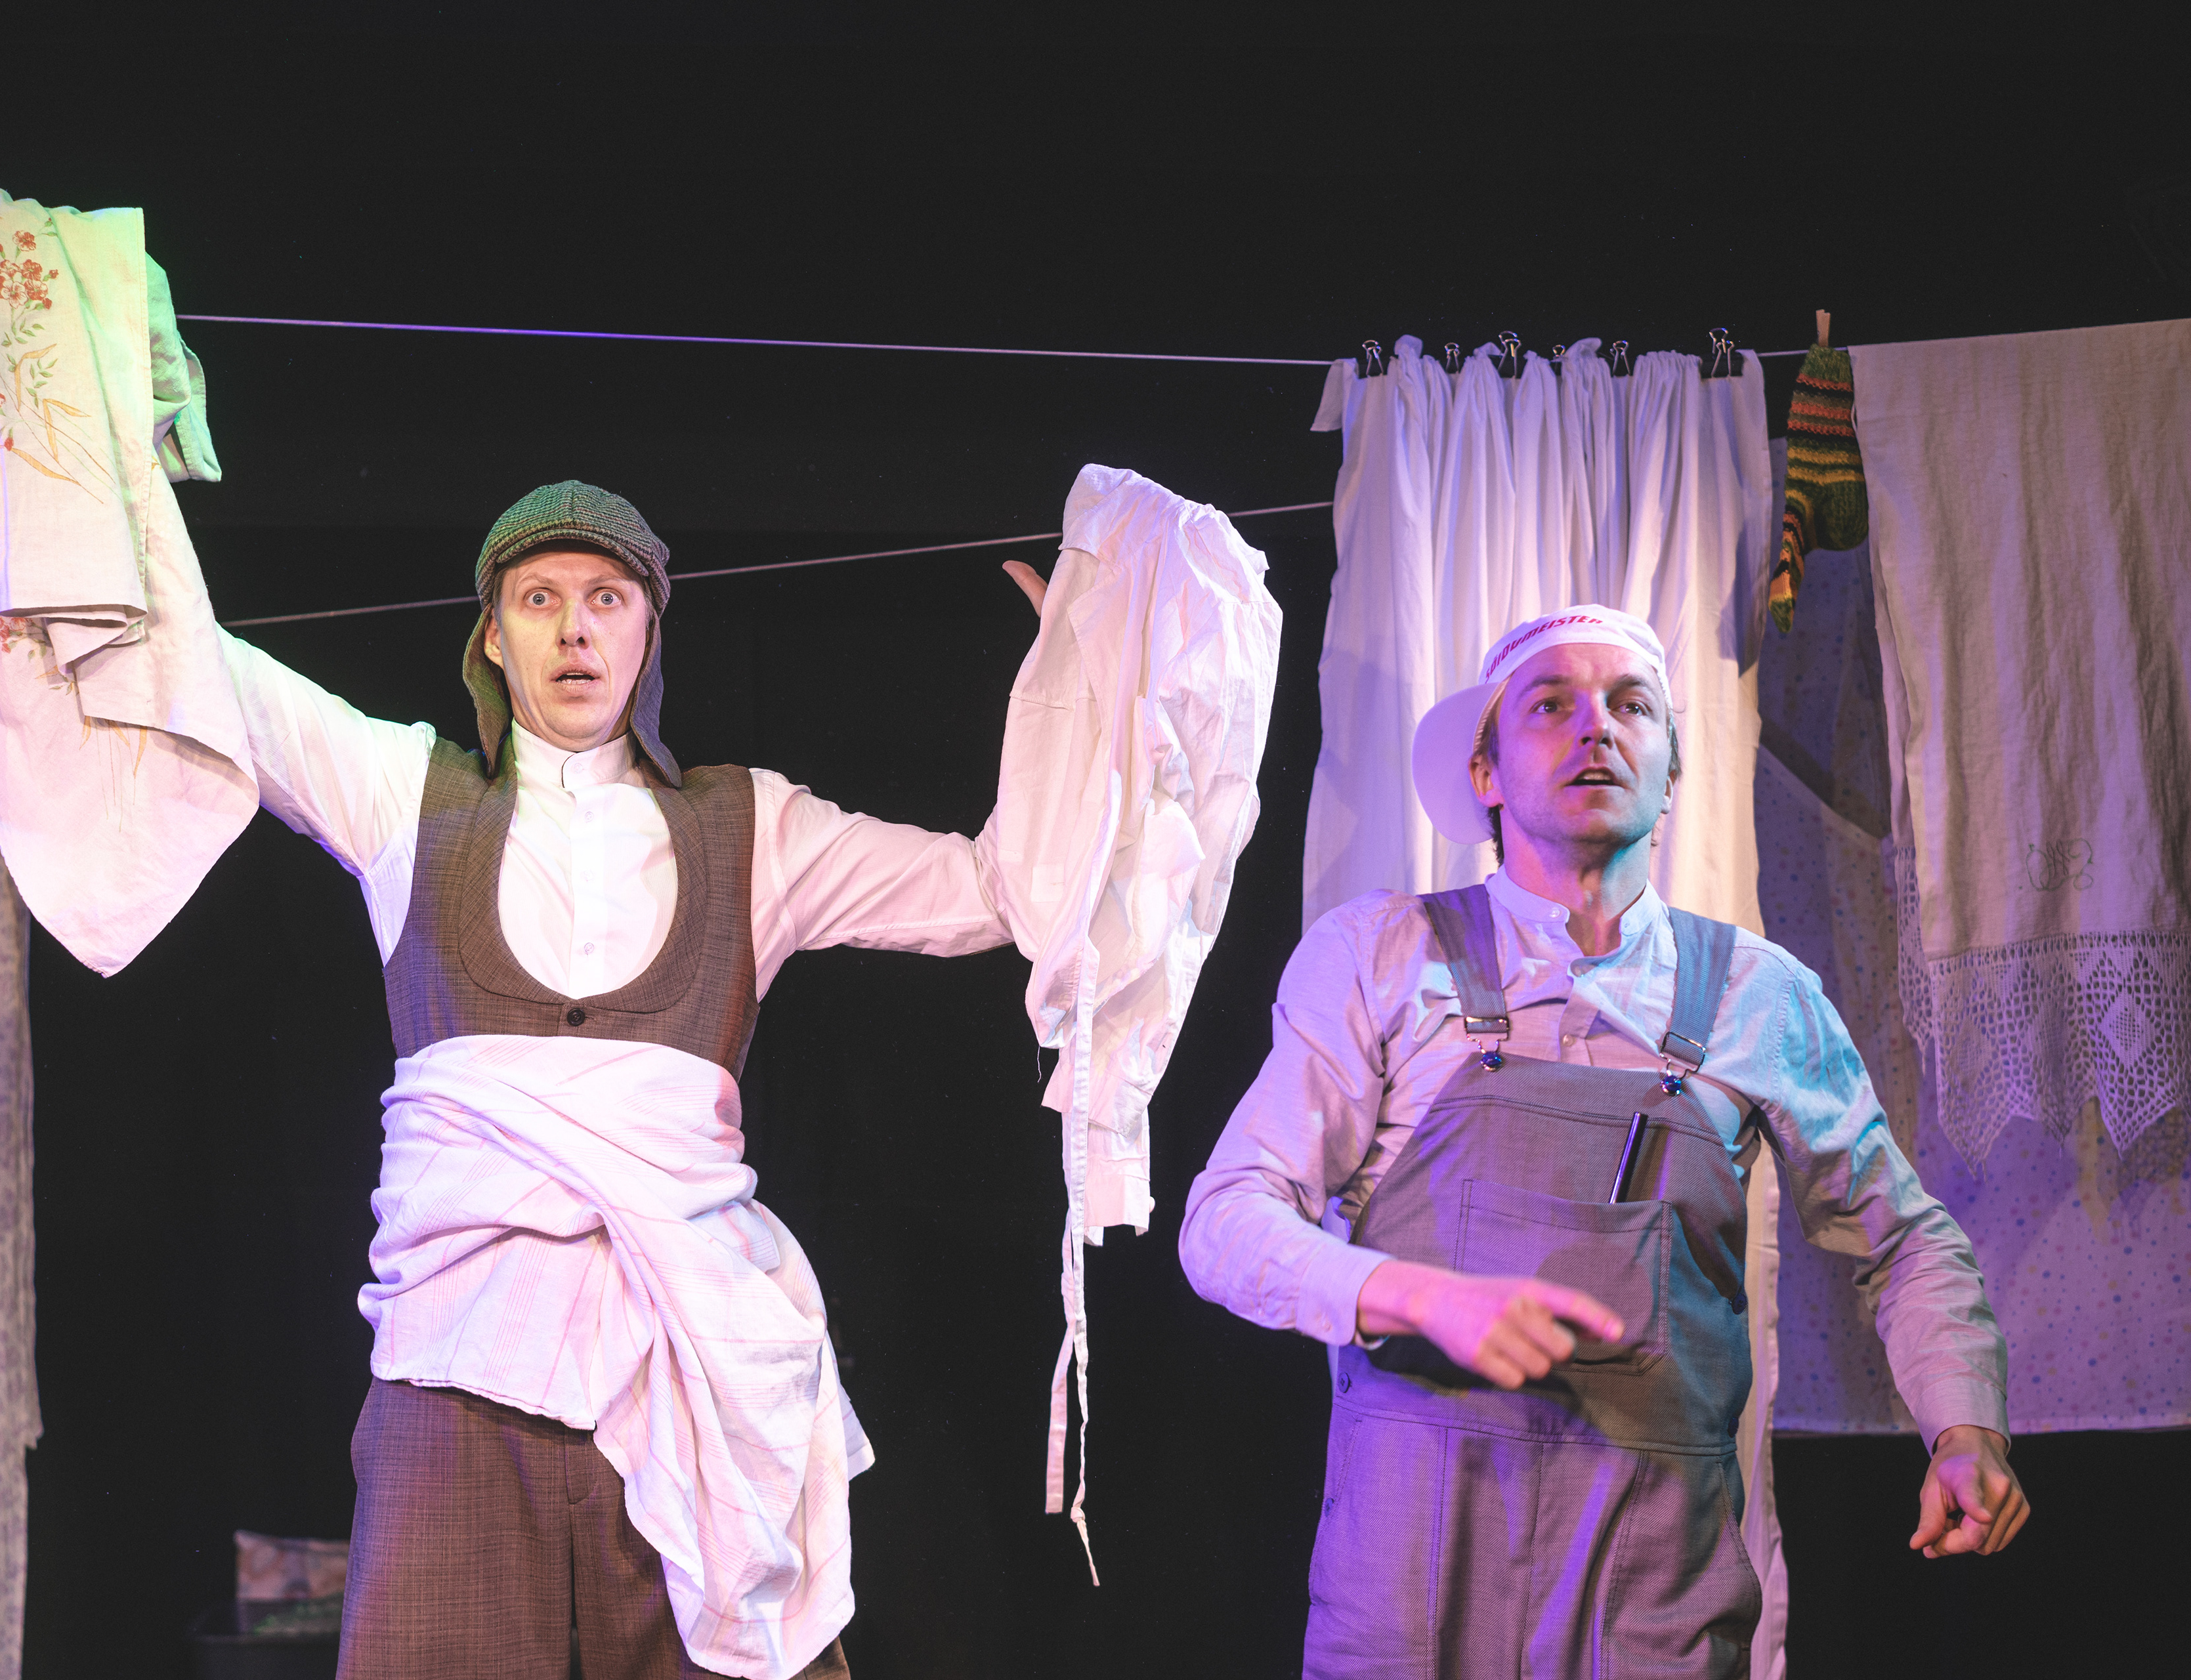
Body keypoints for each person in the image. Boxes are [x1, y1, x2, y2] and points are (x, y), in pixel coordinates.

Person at [218, 481, 1053, 1680]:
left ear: (650, 629)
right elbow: (214, 682)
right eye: (539, 600)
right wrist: (82, 449)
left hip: (684, 1368)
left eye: (607, 599)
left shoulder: (753, 826)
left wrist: (1080, 681)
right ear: (491, 637)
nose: (575, 630)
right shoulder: (405, 795)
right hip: (459, 1368)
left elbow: (991, 893)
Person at [1178, 604, 2028, 1679]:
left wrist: (1966, 1429)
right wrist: (1419, 1296)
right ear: (1486, 773)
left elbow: (1903, 1240)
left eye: (1632, 707)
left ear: (1670, 774)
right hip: (1410, 1589)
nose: (1597, 728)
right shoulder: (1381, 957)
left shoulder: (1760, 995)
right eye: (1551, 706)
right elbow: (1224, 1223)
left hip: (1653, 1593)